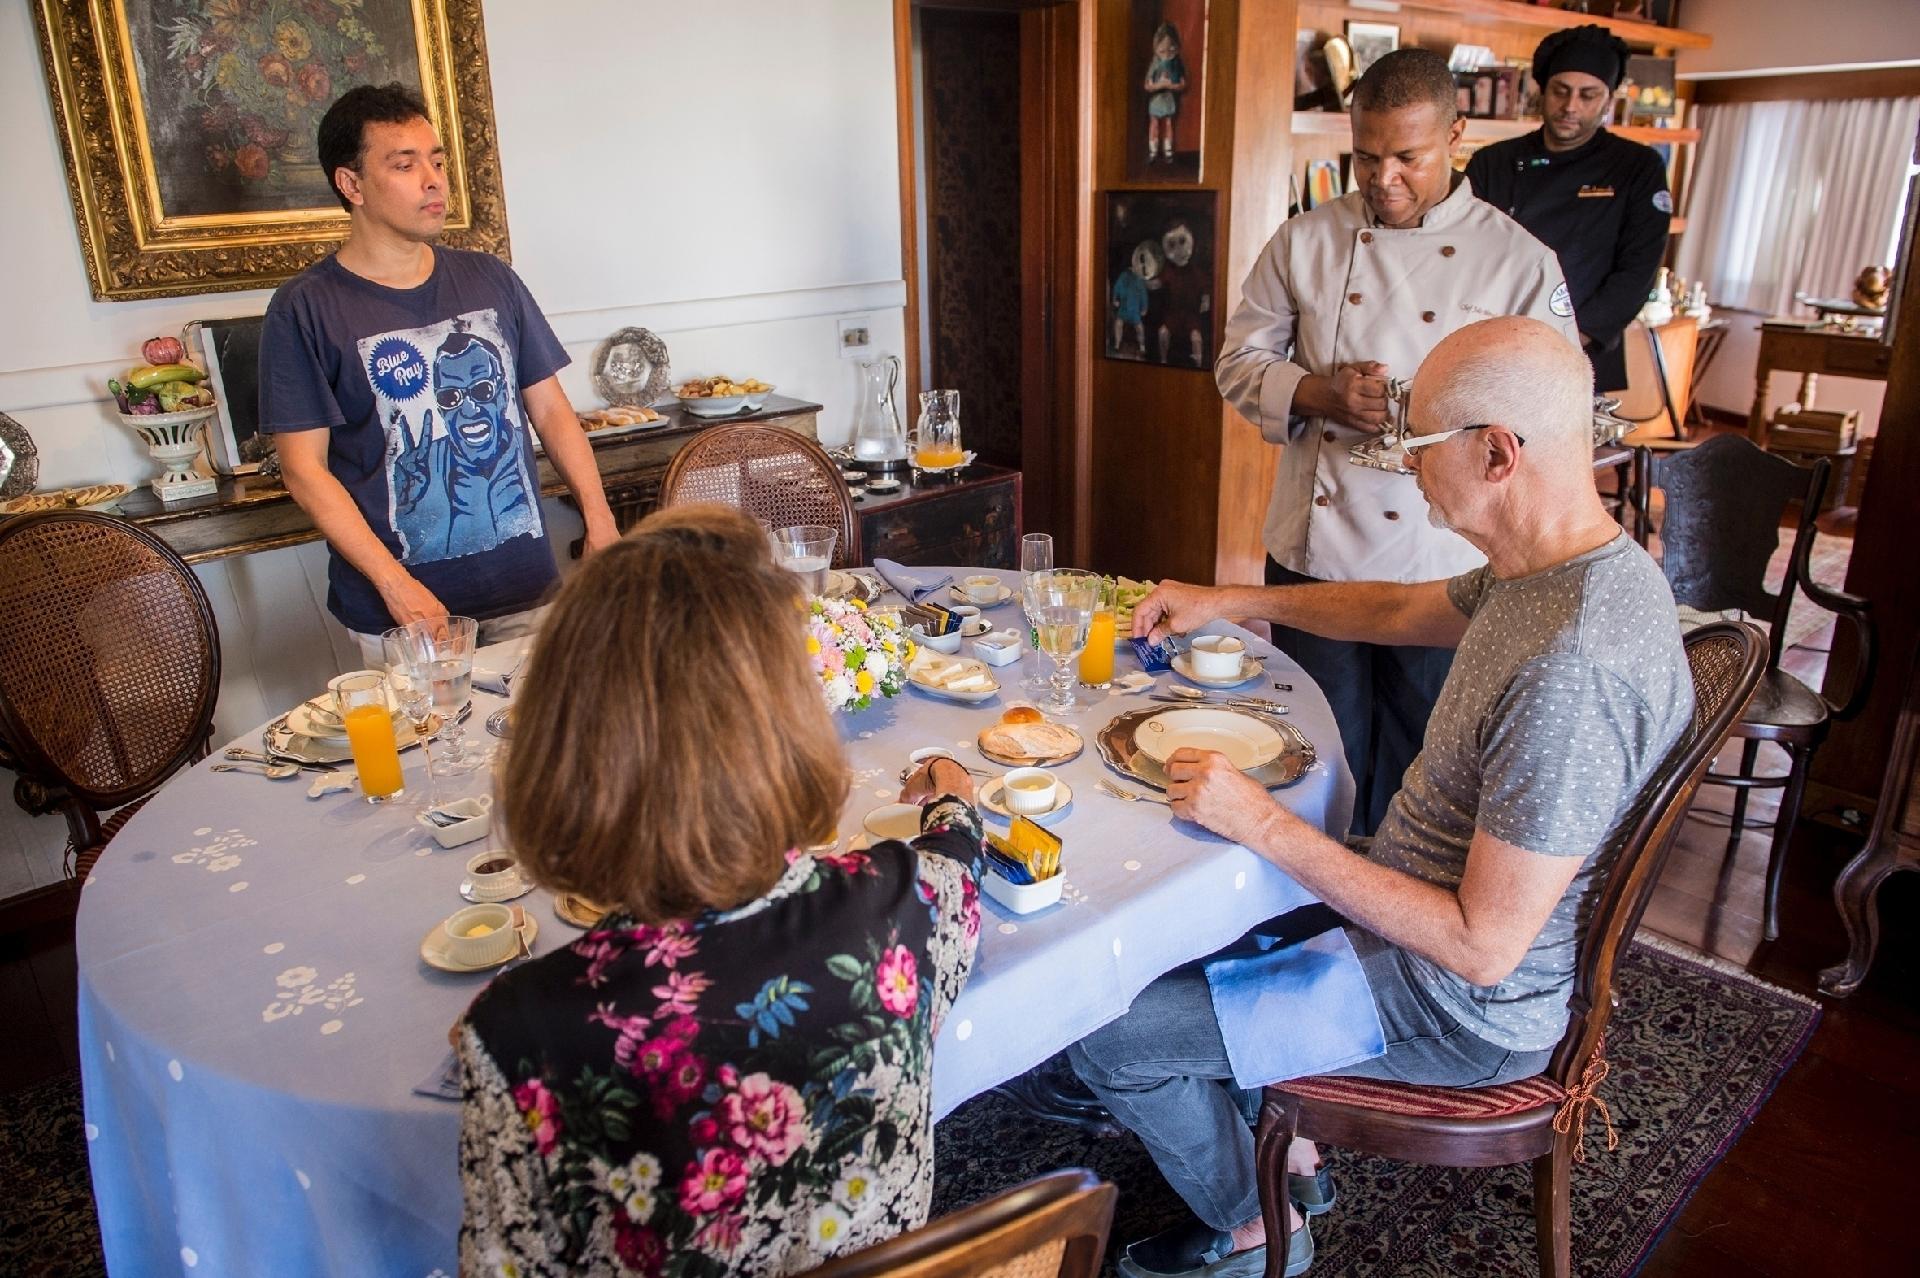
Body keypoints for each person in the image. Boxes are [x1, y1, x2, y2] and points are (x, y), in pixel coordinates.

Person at [1077, 318, 1693, 1278]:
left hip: (1454, 1008)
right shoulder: (1557, 570)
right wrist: (1235, 598)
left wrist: (1266, 822)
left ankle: (1251, 1227)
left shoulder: (1574, 666)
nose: (1403, 466)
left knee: (1108, 1037)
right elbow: (1406, 609)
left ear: (1496, 453)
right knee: (1194, 898)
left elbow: (1481, 950)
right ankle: (1287, 1144)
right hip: (1412, 918)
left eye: (1416, 445)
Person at [454, 504, 985, 1275]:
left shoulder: (517, 1034)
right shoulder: (908, 905)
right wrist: (949, 785)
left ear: (560, 748)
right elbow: (959, 854)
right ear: (795, 724)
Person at [1215, 48, 1579, 836]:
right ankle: (1308, 911)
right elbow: (1237, 362)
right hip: (1317, 545)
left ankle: (1396, 922)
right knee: (1311, 748)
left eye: (1408, 158)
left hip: (1443, 556)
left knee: (1426, 753)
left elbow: (1555, 407)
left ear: (1457, 137)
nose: (1384, 179)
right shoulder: (1303, 242)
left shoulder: (1518, 260)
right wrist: (1321, 393)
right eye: (1366, 157)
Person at [260, 83, 618, 666]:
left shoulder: (490, 279)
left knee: (542, 753)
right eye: (404, 165)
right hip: (403, 612)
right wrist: (394, 586)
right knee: (434, 756)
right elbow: (304, 471)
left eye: (437, 160)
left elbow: (551, 411)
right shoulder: (304, 308)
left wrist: (599, 521)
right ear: (351, 185)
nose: (433, 180)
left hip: (528, 590)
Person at [1465, 25, 1672, 393]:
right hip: (1493, 349)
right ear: (1542, 90)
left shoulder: (1637, 167)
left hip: (1579, 352)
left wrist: (1572, 336)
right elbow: (1468, 253)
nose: (1571, 106)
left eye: (1588, 95)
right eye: (1560, 91)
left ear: (1608, 101)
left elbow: (1638, 268)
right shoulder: (1492, 162)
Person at [1144, 22, 1189, 165]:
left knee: (1169, 123)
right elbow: (1147, 86)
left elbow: (1183, 84)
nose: (1167, 54)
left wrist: (1172, 86)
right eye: (1163, 51)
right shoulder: (1155, 63)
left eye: (1171, 50)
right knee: (1154, 123)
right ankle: (1153, 151)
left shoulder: (1177, 63)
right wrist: (1159, 85)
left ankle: (1168, 151)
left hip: (1169, 99)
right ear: (1156, 49)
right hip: (1156, 99)